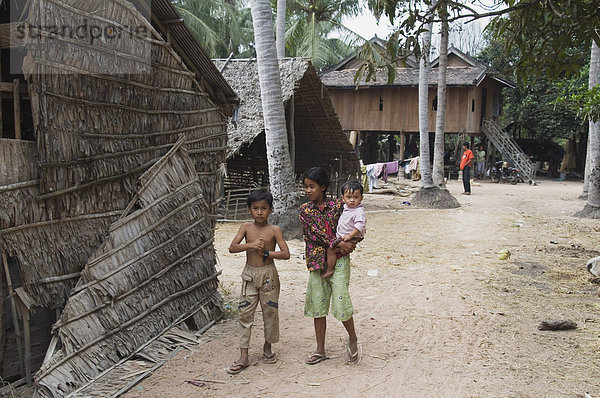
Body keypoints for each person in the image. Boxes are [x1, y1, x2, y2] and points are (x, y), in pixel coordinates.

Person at [299, 167, 361, 366]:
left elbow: (351, 223)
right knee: (318, 304)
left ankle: (352, 339)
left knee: (341, 301)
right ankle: (320, 349)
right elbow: (314, 234)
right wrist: (338, 243)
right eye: (306, 187)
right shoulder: (304, 211)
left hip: (340, 259)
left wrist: (352, 242)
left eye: (312, 187)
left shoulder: (338, 205)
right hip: (317, 261)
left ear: (323, 187)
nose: (308, 190)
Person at [226, 190, 290, 375]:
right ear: (249, 210)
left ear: (270, 209)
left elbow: (286, 254)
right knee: (245, 313)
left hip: (268, 274)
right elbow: (232, 248)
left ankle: (267, 348)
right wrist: (252, 245)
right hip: (249, 275)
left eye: (263, 208)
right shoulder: (246, 227)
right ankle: (243, 355)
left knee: (270, 311)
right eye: (255, 208)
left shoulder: (274, 230)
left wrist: (267, 253)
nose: (260, 212)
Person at [322, 180, 366, 279]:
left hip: (350, 237)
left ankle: (330, 269)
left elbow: (360, 226)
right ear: (343, 198)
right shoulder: (345, 208)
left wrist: (350, 235)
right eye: (348, 197)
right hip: (344, 236)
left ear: (361, 198)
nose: (352, 200)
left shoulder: (359, 211)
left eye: (356, 197)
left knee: (331, 250)